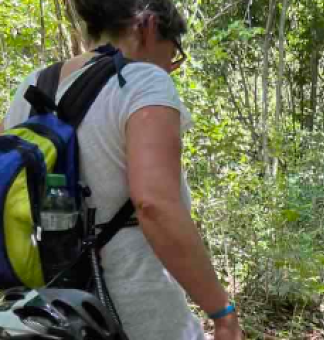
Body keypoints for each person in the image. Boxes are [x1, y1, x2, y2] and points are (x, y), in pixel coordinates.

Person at [1, 0, 242, 339]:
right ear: (148, 27)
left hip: (48, 314)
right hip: (134, 309)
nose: (171, 67)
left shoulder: (33, 86)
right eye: (173, 53)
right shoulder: (142, 81)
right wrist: (222, 312)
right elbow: (155, 205)